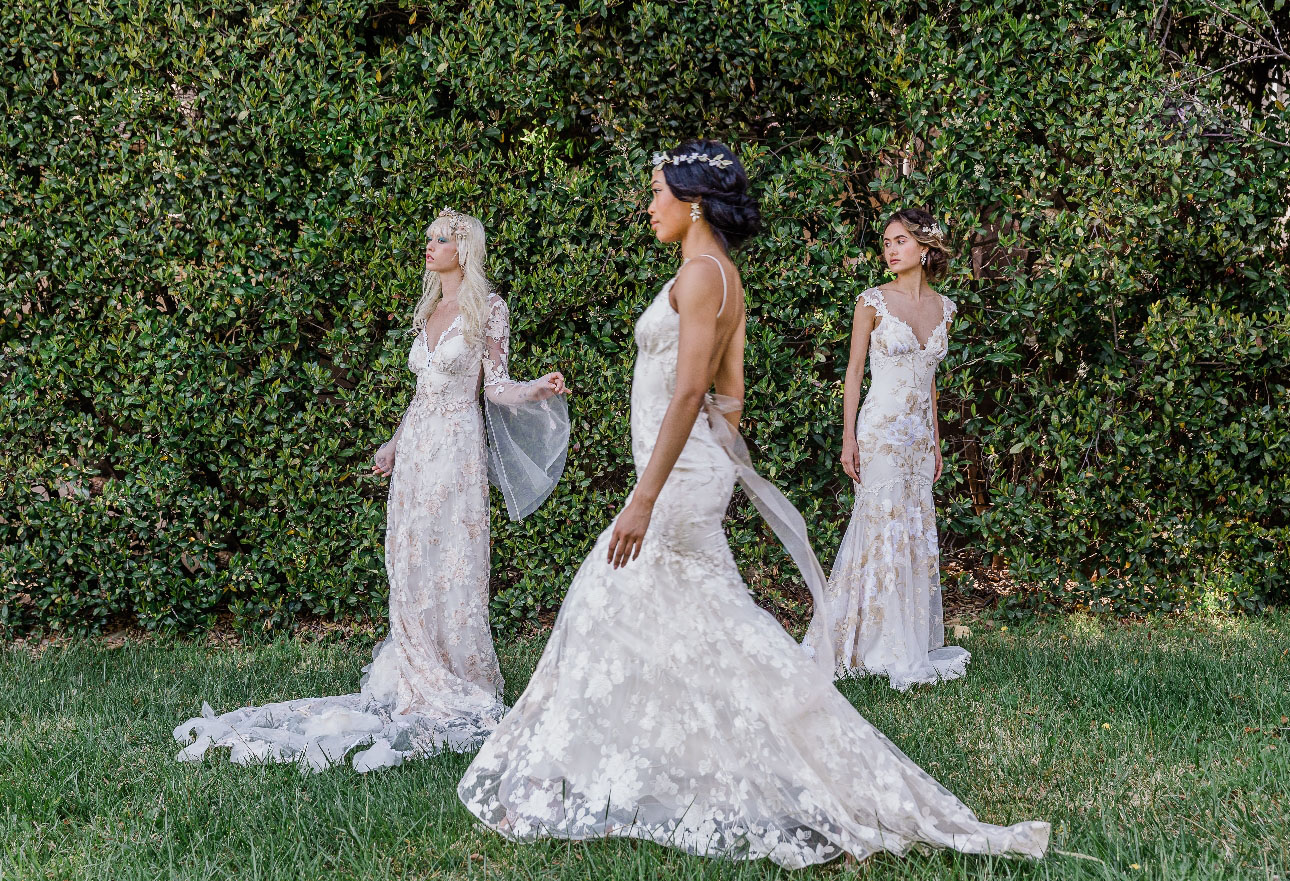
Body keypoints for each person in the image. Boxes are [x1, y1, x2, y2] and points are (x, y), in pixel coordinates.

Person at [456, 143, 1048, 868]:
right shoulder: (717, 275)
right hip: (687, 470)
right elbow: (729, 399)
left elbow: (687, 391)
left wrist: (648, 495)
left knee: (617, 603)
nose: (649, 208)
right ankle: (647, 762)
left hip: (671, 481)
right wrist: (711, 459)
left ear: (693, 201)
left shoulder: (704, 274)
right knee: (684, 616)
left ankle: (575, 768)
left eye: (656, 194)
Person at [174, 209, 569, 772]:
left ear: (465, 248)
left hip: (457, 454)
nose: (429, 245)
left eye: (441, 239)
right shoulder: (429, 308)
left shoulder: (488, 310)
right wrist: (392, 444)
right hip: (416, 456)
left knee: (452, 562)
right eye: (428, 237)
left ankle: (456, 673)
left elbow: (496, 387)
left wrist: (537, 390)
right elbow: (422, 393)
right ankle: (414, 664)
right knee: (408, 564)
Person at [806, 208, 971, 691]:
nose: (891, 250)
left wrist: (937, 442)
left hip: (919, 440)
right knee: (879, 527)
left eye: (900, 241)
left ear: (925, 248)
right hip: (879, 432)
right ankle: (864, 639)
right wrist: (847, 437)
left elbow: (932, 383)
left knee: (914, 532)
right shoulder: (871, 302)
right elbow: (854, 373)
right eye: (886, 243)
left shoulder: (946, 308)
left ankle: (907, 638)